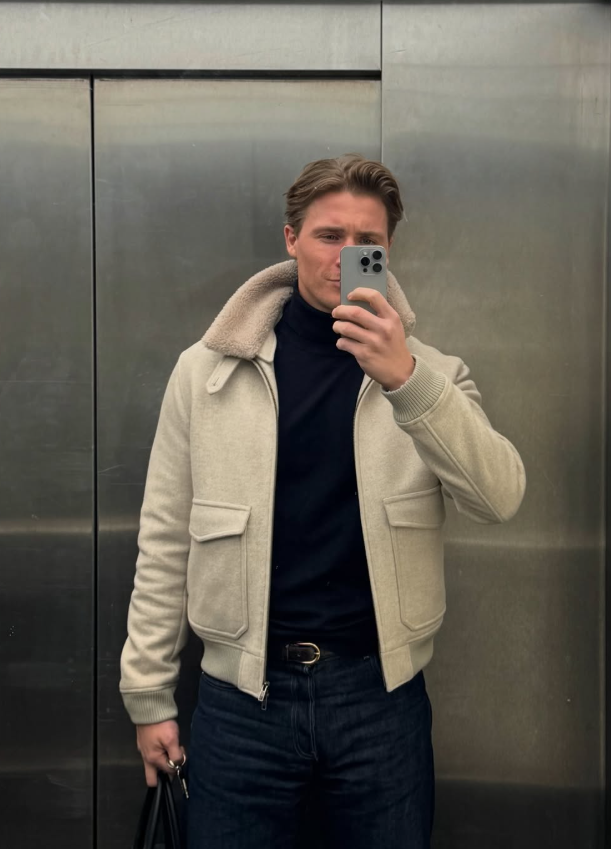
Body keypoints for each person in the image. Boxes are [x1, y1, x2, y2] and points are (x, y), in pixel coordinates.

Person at [120, 153, 526, 848]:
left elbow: (500, 497)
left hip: (379, 699)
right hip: (242, 704)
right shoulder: (208, 372)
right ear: (291, 238)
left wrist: (406, 381)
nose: (346, 255)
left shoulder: (431, 373)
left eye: (367, 241)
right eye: (328, 235)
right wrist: (149, 694)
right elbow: (164, 539)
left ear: (387, 251)